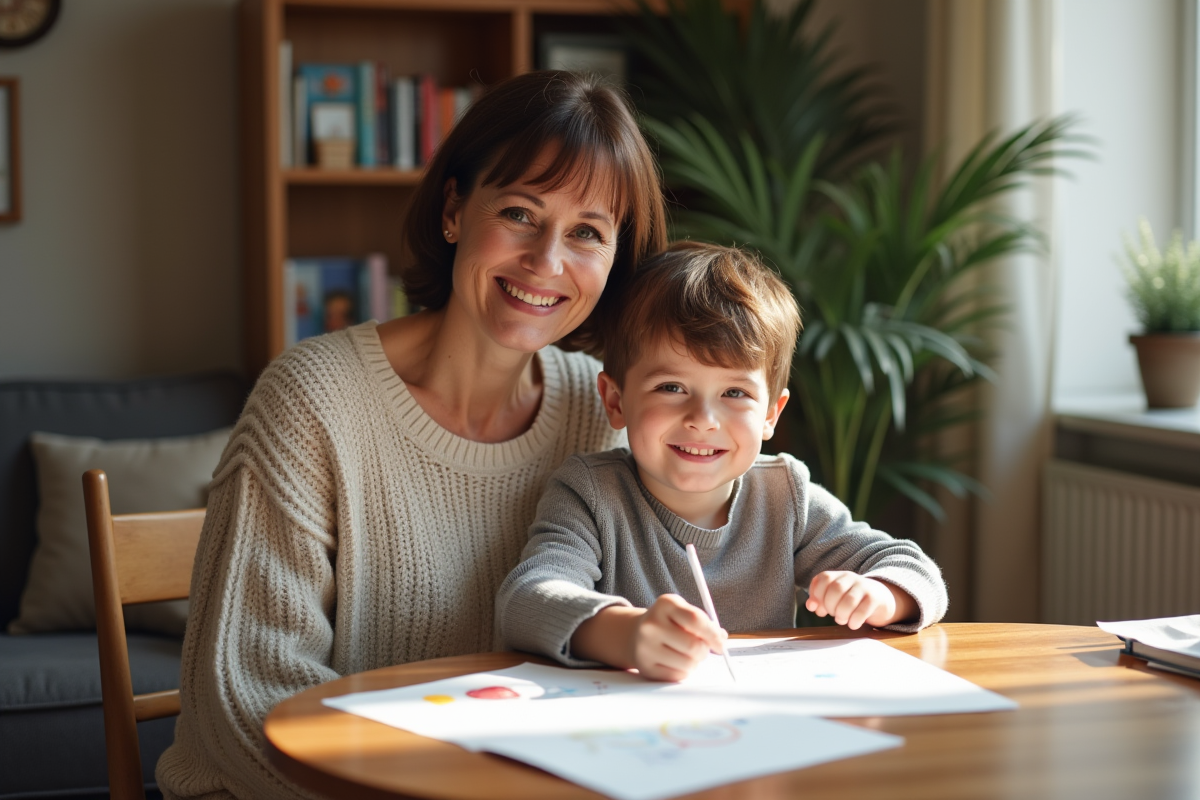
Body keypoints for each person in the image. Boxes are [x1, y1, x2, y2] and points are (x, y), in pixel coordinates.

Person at [156, 70, 667, 800]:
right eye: (521, 213)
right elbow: (248, 697)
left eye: (587, 232)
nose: (547, 260)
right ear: (455, 209)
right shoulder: (311, 400)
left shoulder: (602, 412)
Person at [495, 242, 948, 682]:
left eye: (735, 393)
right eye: (671, 387)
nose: (702, 420)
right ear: (616, 400)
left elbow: (914, 569)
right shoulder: (591, 494)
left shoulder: (784, 495)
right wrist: (627, 634)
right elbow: (527, 599)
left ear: (770, 414)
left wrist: (879, 594)